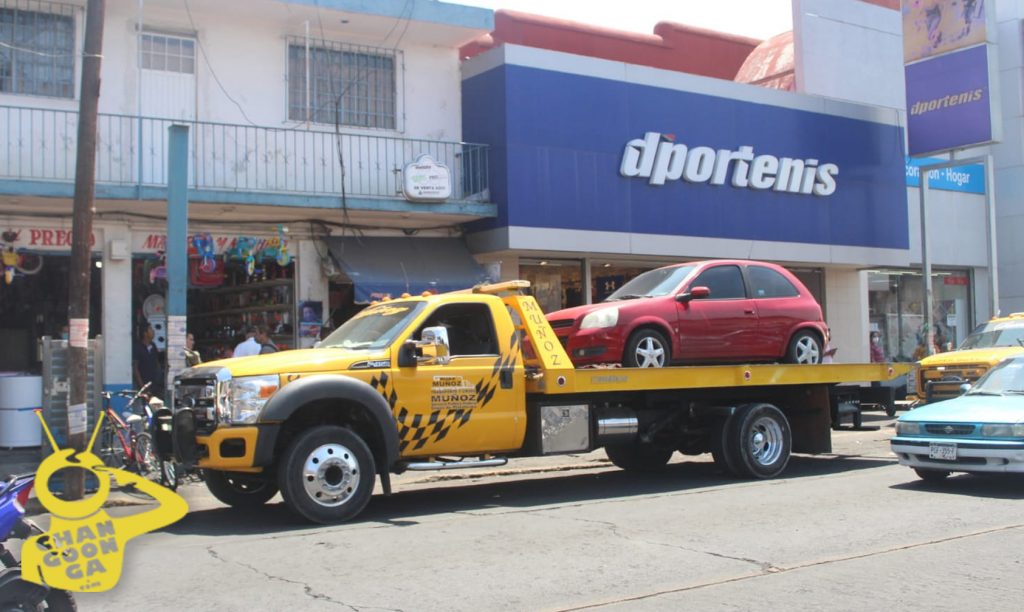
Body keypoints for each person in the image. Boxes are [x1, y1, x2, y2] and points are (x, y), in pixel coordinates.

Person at [132, 323, 164, 398]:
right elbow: (135, 368)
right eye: (150, 329)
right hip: (143, 386)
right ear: (145, 333)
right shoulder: (138, 347)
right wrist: (142, 387)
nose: (153, 331)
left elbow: (157, 362)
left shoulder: (153, 345)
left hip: (155, 386)